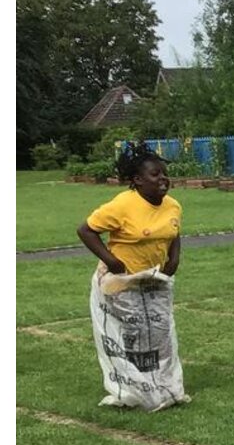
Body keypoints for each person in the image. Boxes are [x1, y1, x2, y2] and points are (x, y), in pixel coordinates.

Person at [76, 142, 190, 412]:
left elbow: (173, 232)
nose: (163, 179)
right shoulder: (123, 205)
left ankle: (167, 387)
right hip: (122, 281)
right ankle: (137, 391)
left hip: (155, 279)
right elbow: (86, 230)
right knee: (135, 333)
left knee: (161, 332)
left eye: (164, 174)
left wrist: (174, 259)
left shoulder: (172, 205)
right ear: (138, 180)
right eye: (155, 174)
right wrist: (112, 261)